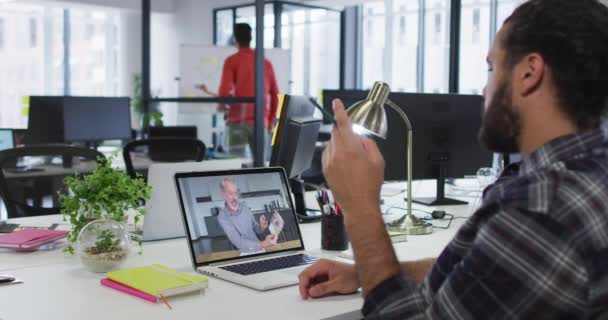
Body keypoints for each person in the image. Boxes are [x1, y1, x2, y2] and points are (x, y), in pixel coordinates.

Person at [298, 0, 608, 318]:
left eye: (492, 68)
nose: (485, 88)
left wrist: (361, 208)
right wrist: (365, 272)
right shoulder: (590, 174)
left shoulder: (540, 209)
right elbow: (483, 275)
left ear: (529, 73)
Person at [199, 23, 280, 158]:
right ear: (251, 38)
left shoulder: (232, 61)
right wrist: (270, 121)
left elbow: (224, 91)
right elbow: (275, 95)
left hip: (238, 122)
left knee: (237, 166)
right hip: (261, 122)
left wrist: (221, 106)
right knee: (263, 168)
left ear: (235, 39)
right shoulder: (265, 63)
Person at [217, 177, 277, 254]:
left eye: (236, 193)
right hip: (246, 252)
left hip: (261, 248)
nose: (234, 198)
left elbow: (256, 228)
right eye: (230, 193)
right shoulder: (222, 217)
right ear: (223, 194)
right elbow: (238, 242)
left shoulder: (244, 207)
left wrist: (261, 227)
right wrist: (264, 244)